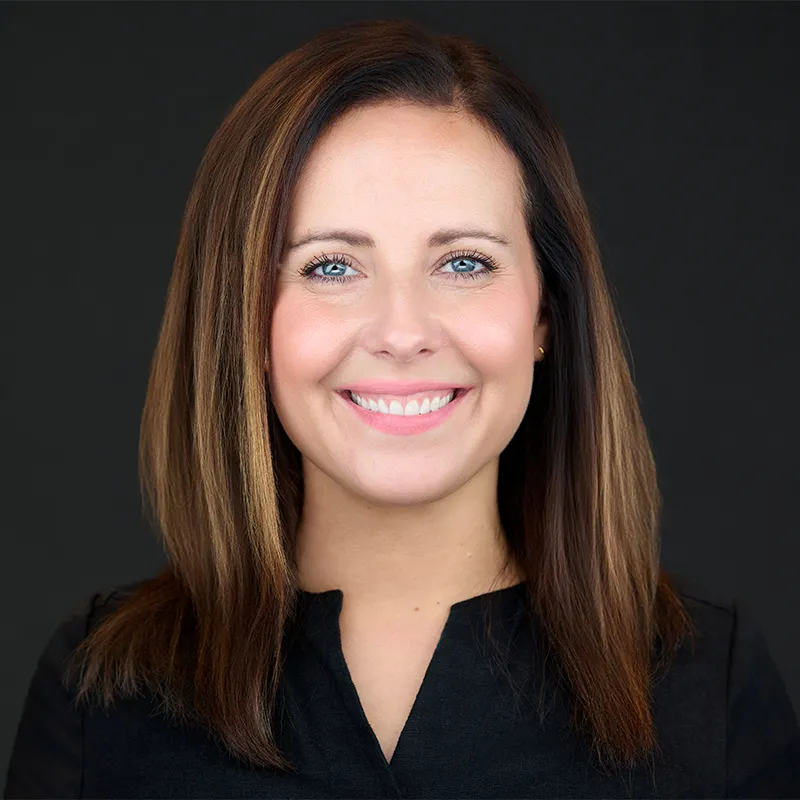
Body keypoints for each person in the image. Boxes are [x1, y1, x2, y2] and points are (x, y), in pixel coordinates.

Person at [4, 17, 800, 800]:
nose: (402, 331)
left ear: (545, 317)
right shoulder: (99, 698)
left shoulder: (710, 691)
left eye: (463, 262)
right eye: (330, 267)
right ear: (242, 320)